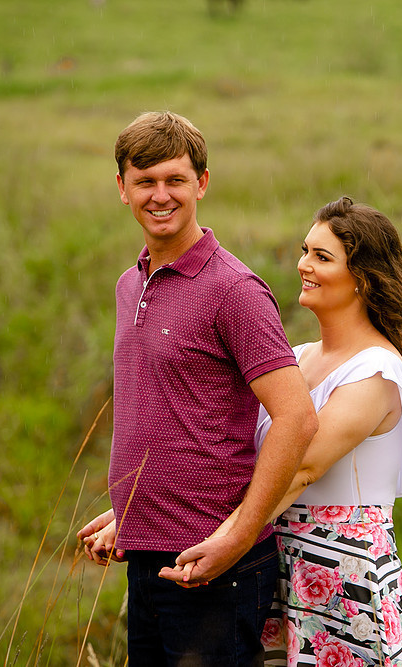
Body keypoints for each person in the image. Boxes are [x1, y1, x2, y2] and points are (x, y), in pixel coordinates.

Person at [77, 110, 318, 667]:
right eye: (145, 181)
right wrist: (129, 514)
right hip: (148, 554)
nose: (160, 196)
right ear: (122, 189)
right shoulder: (128, 283)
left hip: (217, 562)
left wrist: (237, 538)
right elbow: (169, 415)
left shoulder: (233, 289)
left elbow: (297, 417)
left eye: (175, 180)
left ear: (201, 184)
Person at [172, 196, 402, 667]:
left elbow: (302, 467)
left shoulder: (376, 369)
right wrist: (131, 509)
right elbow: (226, 451)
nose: (303, 265)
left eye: (322, 257)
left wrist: (228, 541)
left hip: (344, 579)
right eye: (305, 250)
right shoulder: (300, 356)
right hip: (278, 569)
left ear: (363, 280)